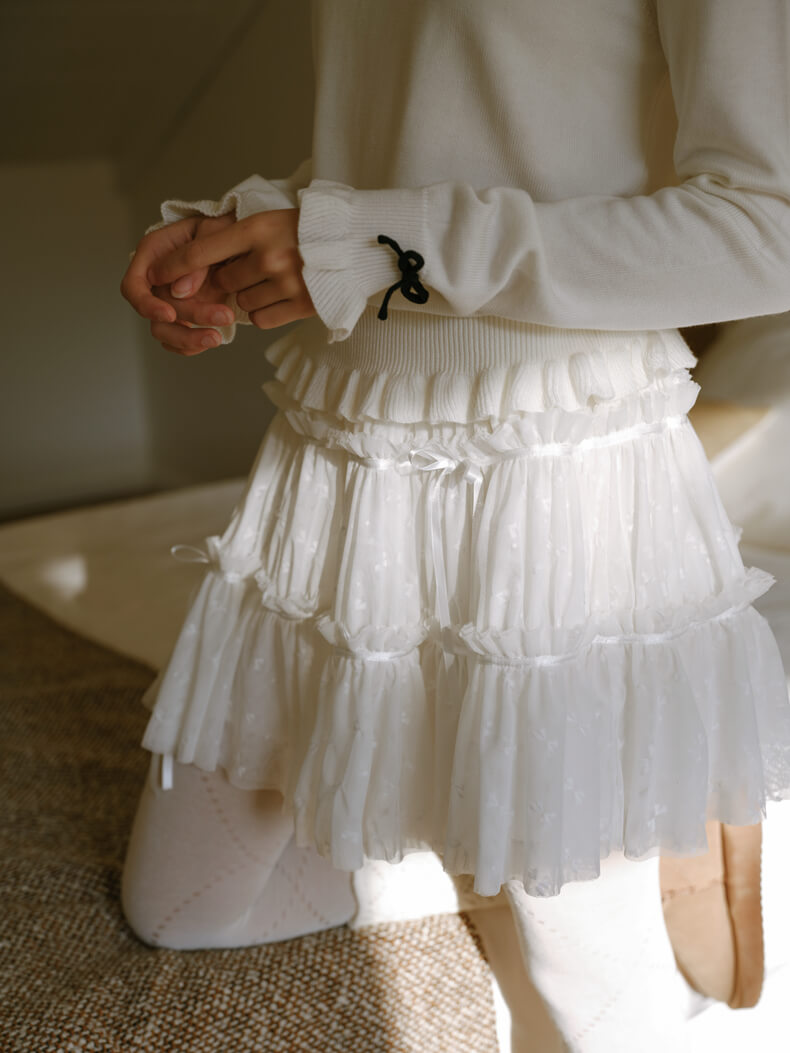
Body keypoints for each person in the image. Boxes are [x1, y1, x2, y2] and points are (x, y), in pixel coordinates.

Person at [120, 2, 790, 1050]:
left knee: (585, 987)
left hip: (552, 451)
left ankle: (616, 841)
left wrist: (378, 247)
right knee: (180, 911)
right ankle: (484, 848)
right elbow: (436, 137)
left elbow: (768, 229)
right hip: (347, 432)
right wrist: (265, 231)